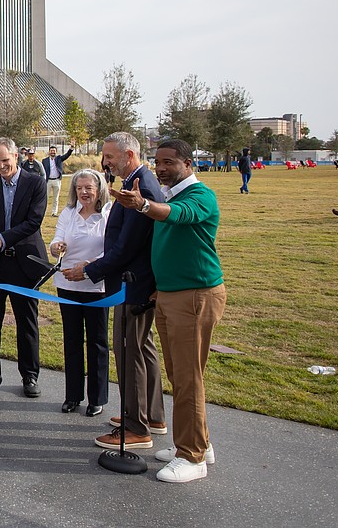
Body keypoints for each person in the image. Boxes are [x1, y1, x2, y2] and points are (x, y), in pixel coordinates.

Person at [114, 138, 227, 483]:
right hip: (169, 295)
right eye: (157, 162)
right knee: (181, 376)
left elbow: (178, 216)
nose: (160, 168)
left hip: (194, 297)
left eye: (168, 162)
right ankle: (198, 442)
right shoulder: (171, 195)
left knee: (189, 378)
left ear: (188, 163)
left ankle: (192, 457)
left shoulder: (199, 197)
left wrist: (142, 206)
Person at [71, 132, 166, 450]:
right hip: (134, 282)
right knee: (144, 347)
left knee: (129, 351)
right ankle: (152, 415)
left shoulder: (142, 188)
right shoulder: (137, 182)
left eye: (109, 156)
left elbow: (126, 247)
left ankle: (136, 426)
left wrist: (88, 270)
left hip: (132, 284)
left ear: (130, 155)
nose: (104, 162)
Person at [0, 137, 48, 405]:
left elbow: (33, 222)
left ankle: (29, 376)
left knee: (26, 322)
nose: (1, 165)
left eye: (5, 160)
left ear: (16, 156)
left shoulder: (35, 183)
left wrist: (2, 239)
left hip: (25, 264)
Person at [50, 169, 111, 416]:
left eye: (89, 188)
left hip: (97, 287)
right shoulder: (68, 213)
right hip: (68, 285)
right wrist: (56, 247)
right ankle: (72, 395)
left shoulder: (108, 214)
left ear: (99, 190)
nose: (84, 192)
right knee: (72, 340)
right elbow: (57, 239)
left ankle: (97, 398)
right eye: (79, 188)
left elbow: (112, 251)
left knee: (97, 342)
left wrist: (88, 268)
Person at [43, 145, 75, 217]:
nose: (52, 152)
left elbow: (67, 155)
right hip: (48, 181)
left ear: (56, 152)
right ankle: (43, 211)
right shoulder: (45, 161)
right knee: (45, 197)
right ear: (49, 152)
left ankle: (54, 212)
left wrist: (71, 148)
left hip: (57, 180)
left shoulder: (59, 158)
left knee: (56, 198)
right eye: (51, 151)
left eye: (54, 151)